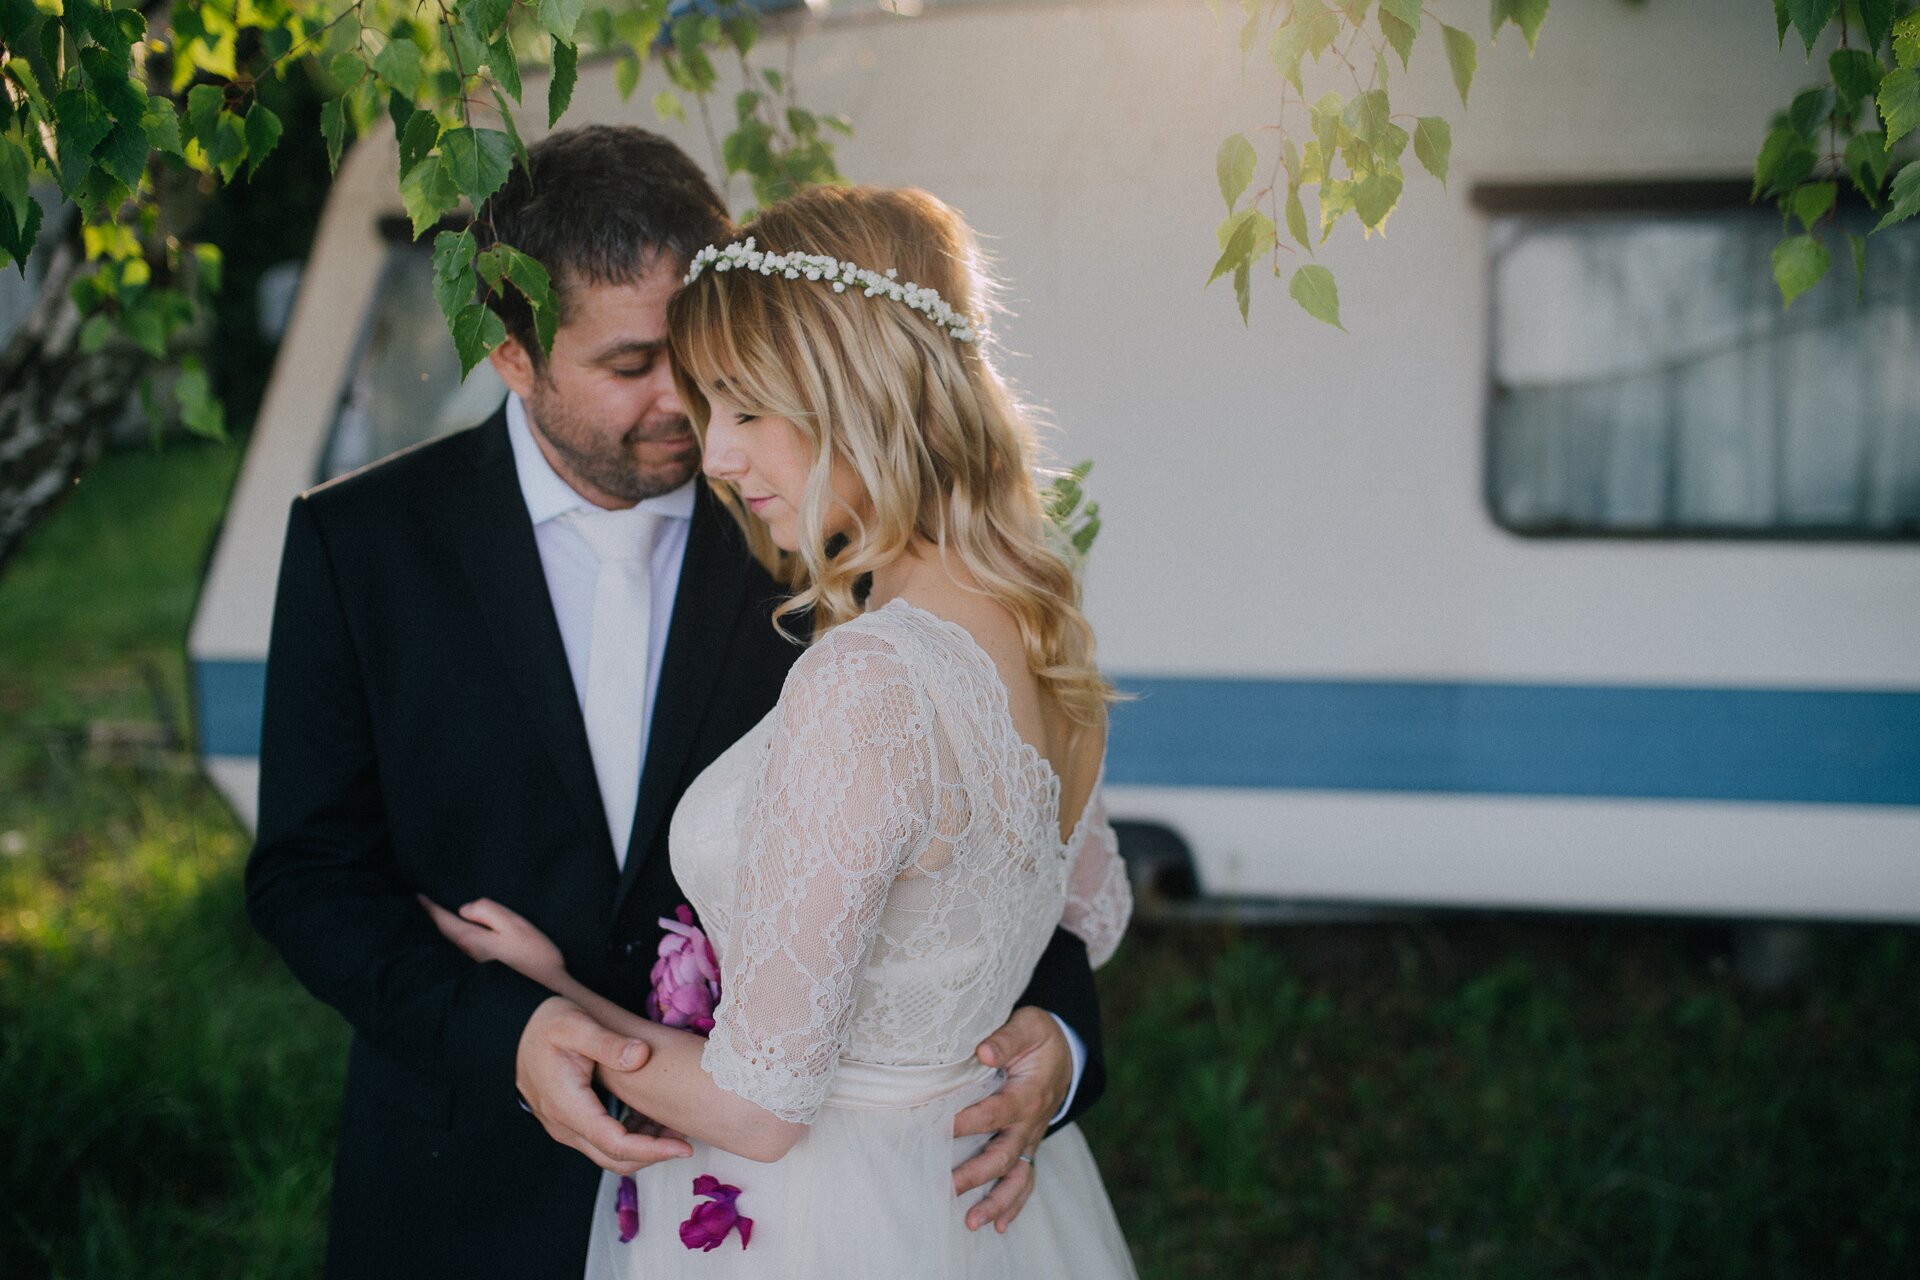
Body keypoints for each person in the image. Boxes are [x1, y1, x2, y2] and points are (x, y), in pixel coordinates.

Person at [245, 128, 1108, 1280]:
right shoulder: (363, 544)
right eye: (633, 364)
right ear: (513, 354)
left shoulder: (833, 537)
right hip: (472, 1180)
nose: (690, 414)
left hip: (807, 1208)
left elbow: (997, 853)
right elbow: (308, 873)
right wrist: (510, 1024)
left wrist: (1059, 1044)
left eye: (707, 366)